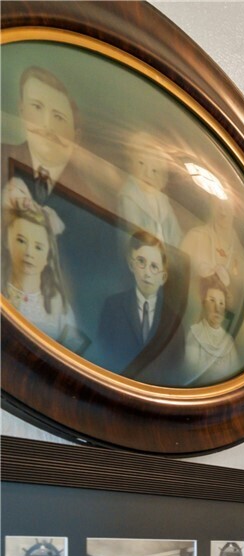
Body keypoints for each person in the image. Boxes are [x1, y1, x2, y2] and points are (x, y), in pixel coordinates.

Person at [1, 65, 117, 337]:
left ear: (76, 134)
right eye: (36, 108)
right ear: (21, 110)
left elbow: (90, 303)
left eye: (58, 117)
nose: (46, 125)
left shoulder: (98, 213)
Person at [92, 229, 182, 379]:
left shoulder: (174, 322)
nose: (147, 273)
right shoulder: (112, 306)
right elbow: (101, 355)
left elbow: (176, 372)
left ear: (163, 277)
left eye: (154, 267)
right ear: (131, 265)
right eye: (141, 262)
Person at [3, 200, 79, 346]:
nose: (29, 253)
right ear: (7, 242)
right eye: (21, 241)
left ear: (48, 256)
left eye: (38, 247)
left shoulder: (59, 307)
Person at [115, 131, 182, 251]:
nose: (147, 174)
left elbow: (176, 237)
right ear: (131, 165)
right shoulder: (129, 197)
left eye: (154, 170)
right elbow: (132, 234)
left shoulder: (163, 202)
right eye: (141, 164)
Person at [182, 278, 238, 385]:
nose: (217, 309)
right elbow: (189, 372)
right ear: (204, 304)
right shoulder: (194, 333)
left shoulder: (229, 342)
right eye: (212, 300)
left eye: (221, 303)